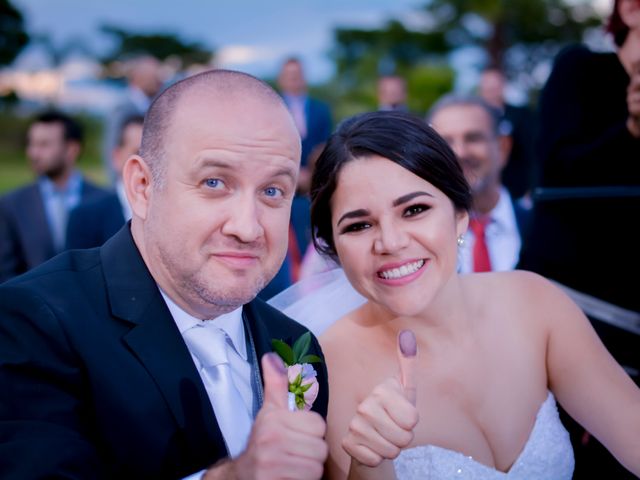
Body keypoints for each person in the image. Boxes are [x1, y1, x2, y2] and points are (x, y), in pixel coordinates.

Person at [272, 111, 640, 479]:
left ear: (461, 214)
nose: (391, 242)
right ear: (332, 246)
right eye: (359, 225)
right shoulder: (310, 374)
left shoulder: (537, 305)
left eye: (415, 210)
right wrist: (369, 463)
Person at [0, 69, 329, 479]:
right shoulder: (34, 321)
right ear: (141, 187)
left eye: (273, 191)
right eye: (214, 182)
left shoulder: (296, 344)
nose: (248, 227)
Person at [517, 1, 640, 476]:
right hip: (574, 314)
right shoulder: (580, 69)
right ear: (628, 9)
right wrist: (630, 130)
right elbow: (556, 170)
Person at [0, 111, 107, 283]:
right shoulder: (11, 204)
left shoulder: (104, 200)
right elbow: (5, 272)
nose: (33, 153)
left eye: (44, 145)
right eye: (31, 144)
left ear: (72, 150)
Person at [428, 95, 531, 273]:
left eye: (473, 138)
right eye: (446, 142)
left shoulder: (541, 229)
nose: (460, 152)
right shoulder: (419, 242)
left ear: (503, 147)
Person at [66, 114, 144, 249]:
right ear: (117, 157)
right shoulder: (85, 217)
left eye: (153, 154)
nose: (146, 162)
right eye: (138, 152)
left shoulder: (173, 214)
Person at [102, 55, 164, 184]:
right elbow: (111, 145)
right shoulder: (122, 107)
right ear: (138, 76)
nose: (160, 80)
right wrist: (115, 184)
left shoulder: (156, 104)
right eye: (154, 76)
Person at [478, 68, 536, 202]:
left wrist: (531, 188)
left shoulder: (521, 115)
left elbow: (532, 153)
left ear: (502, 87)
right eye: (487, 88)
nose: (491, 92)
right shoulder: (473, 120)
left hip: (517, 190)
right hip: (483, 192)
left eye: (494, 87)